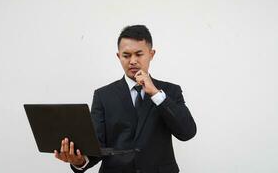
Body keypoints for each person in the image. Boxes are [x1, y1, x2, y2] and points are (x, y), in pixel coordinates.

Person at [54, 25, 197, 173]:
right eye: (126, 55)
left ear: (151, 54)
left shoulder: (170, 91)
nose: (133, 61)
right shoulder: (103, 96)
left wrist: (155, 93)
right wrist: (80, 161)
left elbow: (187, 132)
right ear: (118, 56)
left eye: (139, 54)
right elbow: (98, 146)